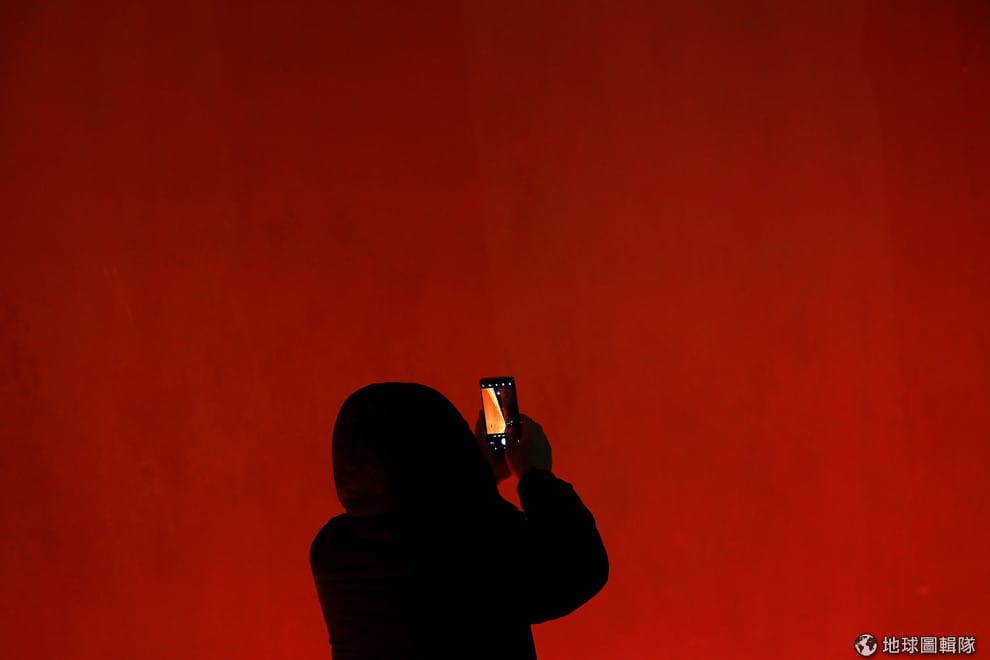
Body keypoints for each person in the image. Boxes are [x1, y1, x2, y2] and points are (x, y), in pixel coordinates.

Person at [310, 382, 609, 659]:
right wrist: (535, 475)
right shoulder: (476, 544)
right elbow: (582, 566)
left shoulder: (331, 552)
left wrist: (479, 478)